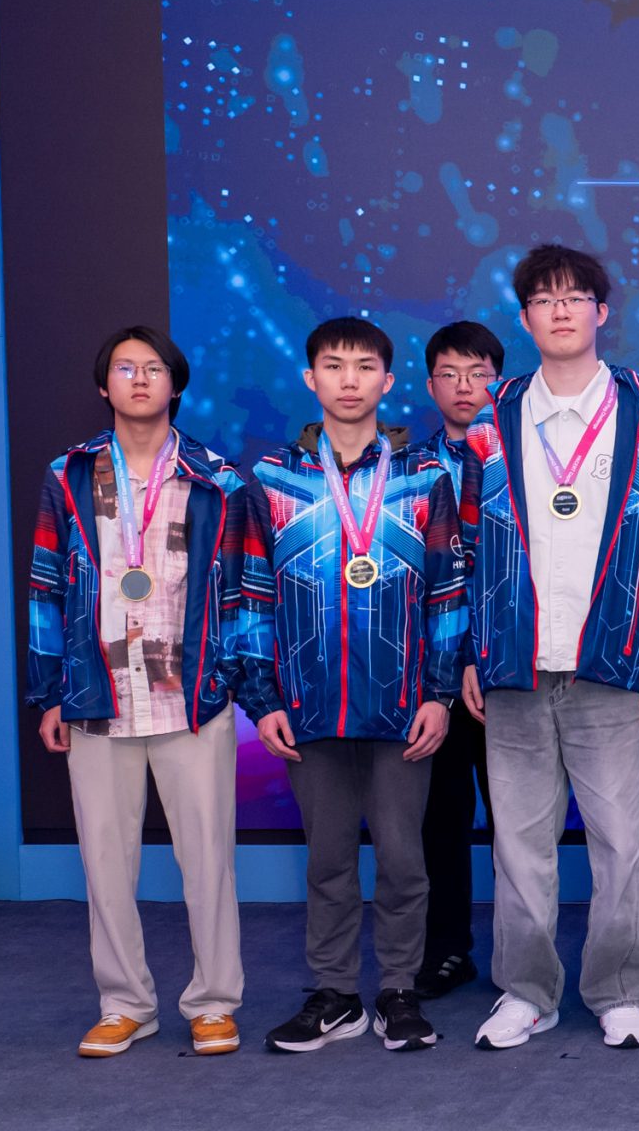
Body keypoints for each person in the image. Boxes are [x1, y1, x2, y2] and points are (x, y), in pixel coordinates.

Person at [459, 245, 639, 1052]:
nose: (560, 310)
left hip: (614, 662)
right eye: (544, 299)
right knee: (520, 847)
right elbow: (463, 551)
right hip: (516, 664)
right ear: (525, 319)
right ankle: (526, 992)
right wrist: (468, 652)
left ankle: (621, 988)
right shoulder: (490, 425)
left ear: (601, 312)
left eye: (575, 296)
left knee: (623, 843)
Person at [236, 317, 465, 1053]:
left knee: (403, 859)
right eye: (333, 366)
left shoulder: (424, 477)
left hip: (403, 710)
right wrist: (263, 703)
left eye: (364, 366)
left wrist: (438, 695)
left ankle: (399, 989)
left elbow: (447, 595)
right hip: (308, 708)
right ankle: (335, 994)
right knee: (329, 860)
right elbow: (250, 598)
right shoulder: (273, 480)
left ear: (387, 381)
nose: (349, 379)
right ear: (311, 378)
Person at [28, 326, 249, 1058]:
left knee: (208, 861)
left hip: (191, 698)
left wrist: (230, 679)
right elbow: (47, 586)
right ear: (105, 386)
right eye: (125, 368)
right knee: (104, 863)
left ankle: (213, 1002)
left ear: (175, 384)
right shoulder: (68, 474)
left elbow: (243, 590)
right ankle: (124, 1003)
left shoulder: (218, 478)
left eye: (154, 367)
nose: (141, 378)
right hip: (98, 694)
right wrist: (50, 691)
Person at [414, 320, 502, 1000]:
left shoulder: (520, 463)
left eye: (479, 374)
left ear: (500, 382)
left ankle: (524, 960)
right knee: (440, 818)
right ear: (429, 385)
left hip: (507, 669)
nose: (465, 387)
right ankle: (447, 948)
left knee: (519, 824)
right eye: (451, 374)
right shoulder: (408, 470)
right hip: (436, 672)